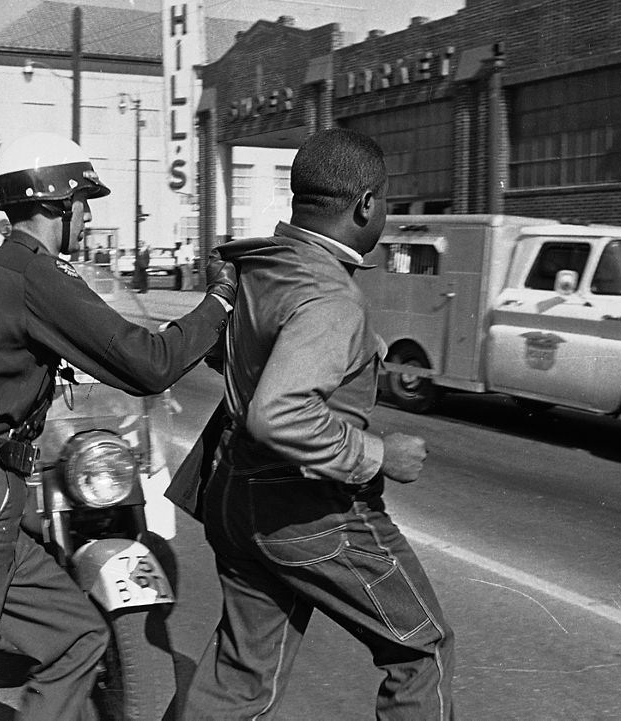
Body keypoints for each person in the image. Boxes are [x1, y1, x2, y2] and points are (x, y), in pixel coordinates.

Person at [0, 132, 237, 721]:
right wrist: (221, 300)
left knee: (78, 640)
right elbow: (147, 364)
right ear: (55, 203)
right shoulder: (36, 277)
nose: (86, 216)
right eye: (84, 202)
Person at [182, 128, 455, 720]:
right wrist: (381, 455)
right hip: (308, 509)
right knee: (420, 648)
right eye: (384, 200)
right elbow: (278, 412)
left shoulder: (264, 266)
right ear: (365, 204)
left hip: (233, 493)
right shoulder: (330, 294)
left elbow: (224, 356)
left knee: (242, 675)